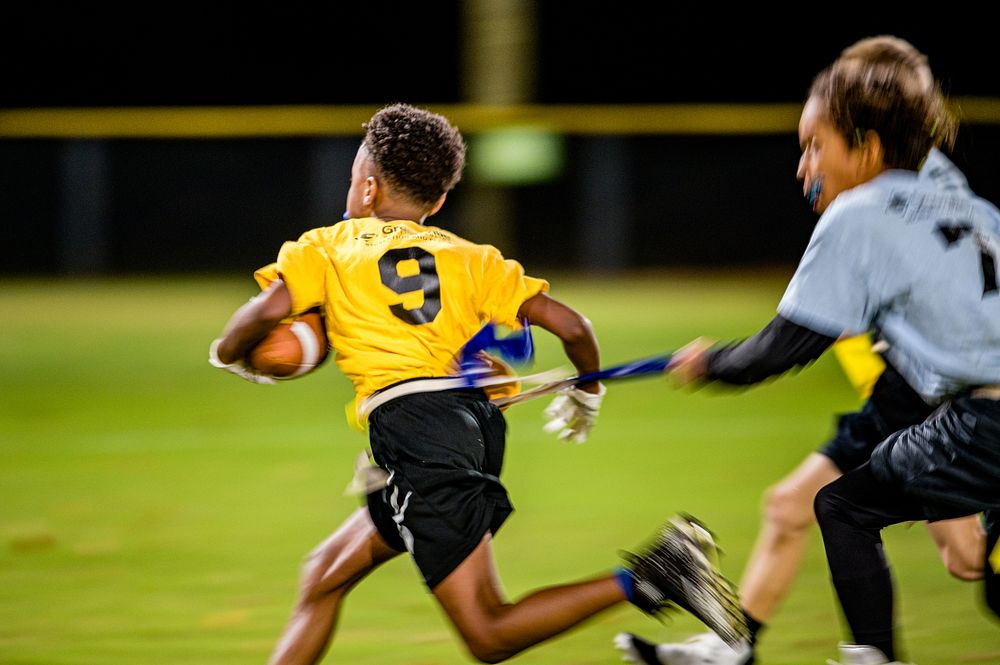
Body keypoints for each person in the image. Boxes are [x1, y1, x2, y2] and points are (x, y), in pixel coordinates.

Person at [208, 103, 747, 664]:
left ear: (366, 190)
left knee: (488, 634)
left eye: (352, 180)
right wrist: (587, 392)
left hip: (421, 437)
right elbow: (572, 325)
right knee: (323, 574)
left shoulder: (326, 246)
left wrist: (226, 355)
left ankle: (655, 575)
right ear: (438, 201)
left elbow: (261, 315)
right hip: (465, 425)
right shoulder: (471, 257)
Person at [614, 36, 999, 665]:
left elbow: (787, 346)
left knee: (851, 511)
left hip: (954, 408)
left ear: (870, 143)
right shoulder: (970, 202)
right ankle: (738, 649)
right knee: (807, 505)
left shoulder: (861, 211)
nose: (803, 166)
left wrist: (708, 363)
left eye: (815, 146)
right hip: (942, 399)